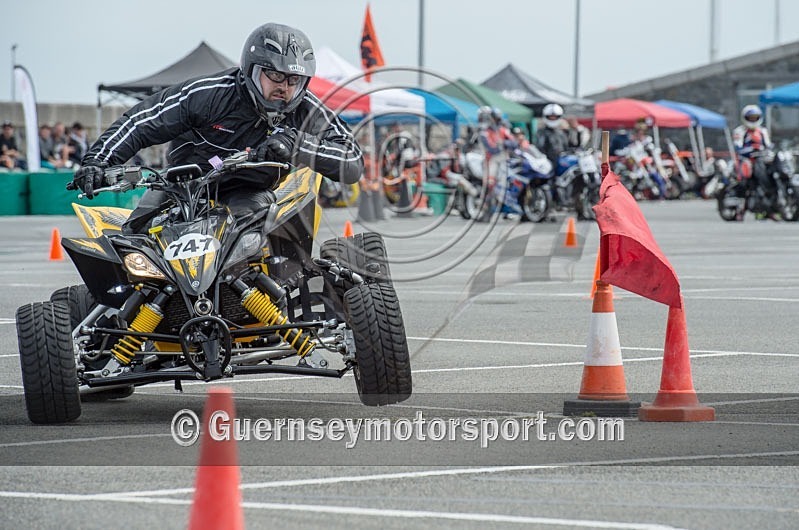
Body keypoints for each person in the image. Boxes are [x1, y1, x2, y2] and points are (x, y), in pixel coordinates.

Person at [72, 22, 363, 234]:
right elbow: (141, 121)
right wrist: (98, 161)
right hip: (182, 189)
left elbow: (352, 161)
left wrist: (298, 145)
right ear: (252, 70)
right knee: (132, 237)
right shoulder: (207, 93)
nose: (284, 88)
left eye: (293, 81)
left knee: (271, 241)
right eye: (274, 75)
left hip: (250, 192)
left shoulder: (307, 108)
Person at [732, 104, 774, 214]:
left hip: (761, 159)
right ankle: (740, 205)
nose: (753, 120)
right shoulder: (740, 131)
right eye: (750, 118)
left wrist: (768, 152)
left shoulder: (763, 131)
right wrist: (750, 151)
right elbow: (738, 147)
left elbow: (768, 146)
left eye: (755, 117)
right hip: (746, 160)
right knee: (744, 178)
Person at [535, 103, 569, 170]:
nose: (553, 119)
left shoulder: (561, 132)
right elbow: (540, 148)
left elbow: (566, 147)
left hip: (561, 162)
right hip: (547, 163)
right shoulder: (541, 132)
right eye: (551, 117)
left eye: (555, 117)